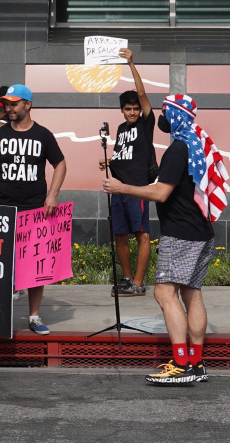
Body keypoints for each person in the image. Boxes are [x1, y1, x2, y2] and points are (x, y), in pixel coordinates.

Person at [104, 94, 227, 386]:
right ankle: (196, 362)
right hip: (201, 231)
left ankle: (181, 364)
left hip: (181, 234)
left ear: (175, 116)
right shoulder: (194, 143)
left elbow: (161, 193)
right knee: (192, 294)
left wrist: (124, 187)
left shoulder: (177, 150)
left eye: (164, 112)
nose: (161, 117)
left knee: (163, 293)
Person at [0, 84, 67, 335]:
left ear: (28, 104)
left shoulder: (43, 135)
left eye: (14, 103)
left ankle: (34, 317)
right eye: (7, 103)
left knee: (36, 265)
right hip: (4, 208)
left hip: (36, 210)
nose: (9, 107)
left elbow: (60, 164)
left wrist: (53, 196)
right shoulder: (0, 134)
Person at [98, 49, 155, 298]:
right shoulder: (121, 129)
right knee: (120, 235)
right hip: (117, 188)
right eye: (128, 109)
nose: (132, 112)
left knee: (142, 234)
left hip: (137, 189)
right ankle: (128, 279)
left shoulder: (146, 123)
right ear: (122, 110)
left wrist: (131, 63)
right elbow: (126, 154)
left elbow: (141, 93)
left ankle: (139, 283)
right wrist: (110, 162)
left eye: (135, 109)